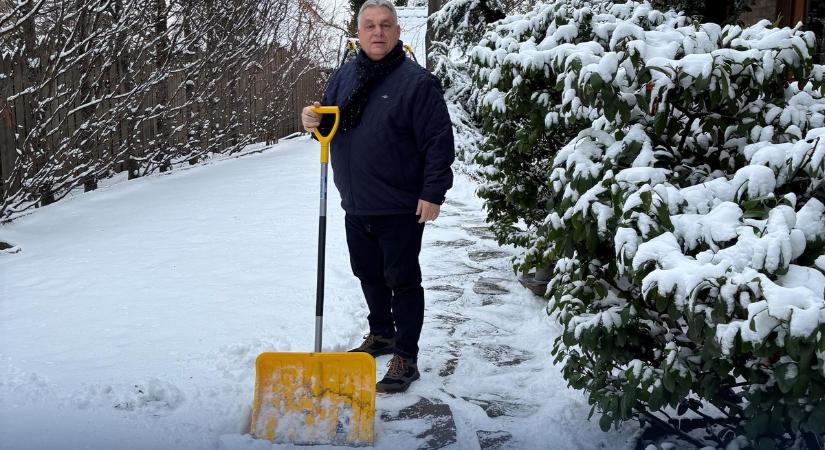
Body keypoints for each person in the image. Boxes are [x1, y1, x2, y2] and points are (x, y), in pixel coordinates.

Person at [300, 0, 454, 393]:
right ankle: (382, 334)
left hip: (400, 203)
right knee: (367, 273)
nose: (378, 32)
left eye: (386, 25)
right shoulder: (344, 76)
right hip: (356, 200)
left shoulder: (417, 83)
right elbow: (329, 124)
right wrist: (311, 121)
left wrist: (433, 192)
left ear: (398, 32)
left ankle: (407, 354)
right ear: (359, 31)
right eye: (369, 25)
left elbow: (438, 142)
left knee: (401, 280)